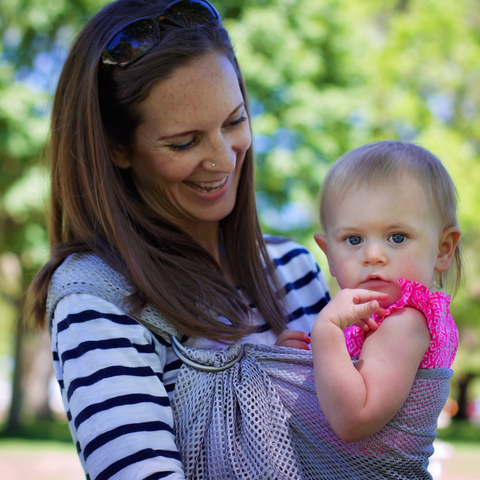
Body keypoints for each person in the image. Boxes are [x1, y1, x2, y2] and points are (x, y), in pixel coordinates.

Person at [27, 0, 329, 479]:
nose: (224, 160)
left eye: (234, 121)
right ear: (117, 148)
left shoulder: (294, 266)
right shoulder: (98, 297)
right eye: (184, 142)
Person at [309, 140, 461, 477]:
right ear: (328, 253)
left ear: (443, 248)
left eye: (397, 237)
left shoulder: (405, 323)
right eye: (353, 239)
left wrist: (325, 336)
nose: (373, 255)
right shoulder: (377, 318)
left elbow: (354, 419)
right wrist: (305, 356)